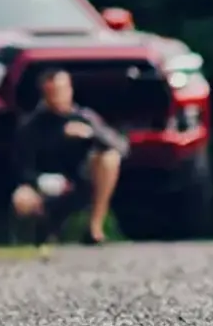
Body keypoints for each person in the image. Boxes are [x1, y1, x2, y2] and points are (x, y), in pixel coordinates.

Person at [10, 68, 127, 244]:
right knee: (21, 198)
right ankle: (37, 234)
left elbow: (122, 147)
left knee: (109, 158)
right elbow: (21, 166)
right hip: (47, 186)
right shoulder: (31, 125)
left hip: (83, 183)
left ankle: (95, 227)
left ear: (70, 90)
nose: (57, 97)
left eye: (61, 90)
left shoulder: (85, 117)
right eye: (51, 92)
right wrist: (41, 182)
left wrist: (91, 134)